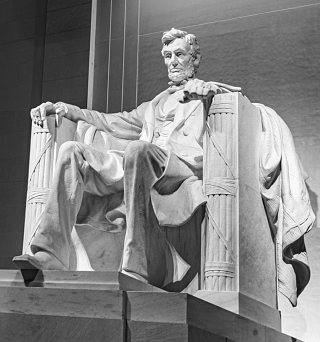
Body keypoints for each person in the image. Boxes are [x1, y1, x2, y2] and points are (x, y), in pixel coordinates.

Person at [13, 28, 239, 284]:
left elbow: (234, 105)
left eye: (179, 54)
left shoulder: (206, 93)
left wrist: (209, 94)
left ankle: (137, 264)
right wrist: (67, 110)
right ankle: (49, 253)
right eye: (167, 56)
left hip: (178, 167)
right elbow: (111, 122)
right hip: (140, 161)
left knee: (137, 150)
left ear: (194, 59)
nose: (172, 61)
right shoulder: (153, 105)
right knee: (71, 152)